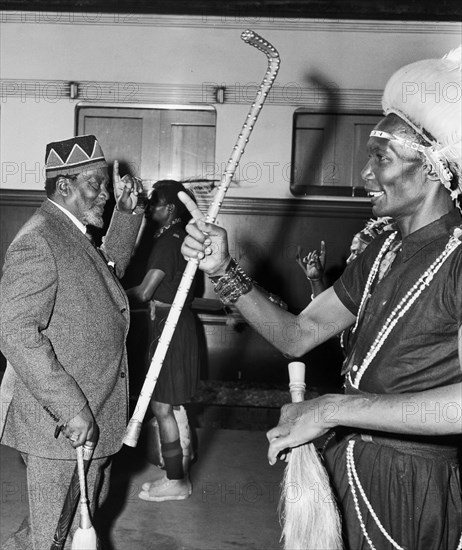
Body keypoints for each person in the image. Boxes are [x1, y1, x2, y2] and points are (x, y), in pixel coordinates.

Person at [181, 47, 462, 549]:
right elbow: (298, 335)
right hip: (347, 470)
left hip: (413, 489)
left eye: (382, 159)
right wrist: (223, 270)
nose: (365, 176)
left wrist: (330, 409)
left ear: (433, 168)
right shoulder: (381, 249)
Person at [0, 135, 144, 550]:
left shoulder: (71, 232)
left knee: (75, 520)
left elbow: (104, 274)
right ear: (64, 185)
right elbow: (15, 330)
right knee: (53, 535)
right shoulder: (39, 239)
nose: (106, 195)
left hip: (90, 412)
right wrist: (70, 406)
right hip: (62, 423)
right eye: (96, 185)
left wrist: (129, 218)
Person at [126, 180, 200, 502]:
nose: (149, 208)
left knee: (162, 406)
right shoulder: (176, 236)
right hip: (169, 325)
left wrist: (109, 295)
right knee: (163, 405)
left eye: (154, 203)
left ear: (170, 209)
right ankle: (174, 473)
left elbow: (144, 292)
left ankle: (177, 481)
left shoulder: (169, 243)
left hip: (170, 328)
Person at [296, 217, 393, 299]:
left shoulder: (385, 293)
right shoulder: (357, 288)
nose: (348, 260)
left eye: (357, 254)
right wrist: (315, 280)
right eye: (352, 252)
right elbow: (325, 313)